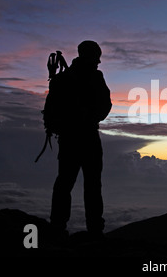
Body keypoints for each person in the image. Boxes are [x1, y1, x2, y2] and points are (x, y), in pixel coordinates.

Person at [43, 40, 112, 239]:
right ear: (92, 56)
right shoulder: (95, 77)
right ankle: (94, 230)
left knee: (64, 183)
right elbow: (105, 106)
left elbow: (52, 110)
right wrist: (90, 117)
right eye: (97, 57)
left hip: (69, 139)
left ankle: (57, 227)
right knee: (91, 185)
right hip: (88, 137)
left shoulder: (61, 79)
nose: (98, 62)